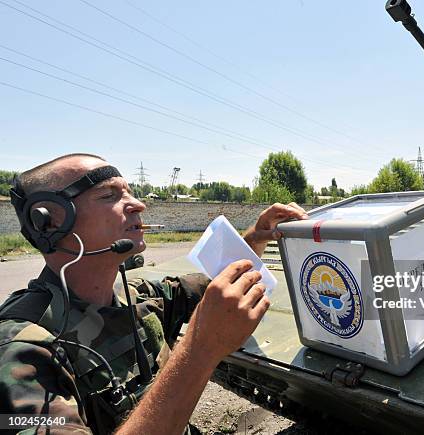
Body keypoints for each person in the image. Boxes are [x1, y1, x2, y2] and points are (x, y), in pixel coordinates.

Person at [0, 153, 308, 434]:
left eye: (130, 192)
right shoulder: (23, 348)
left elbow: (210, 288)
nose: (138, 204)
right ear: (50, 222)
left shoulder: (137, 300)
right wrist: (200, 350)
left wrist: (253, 239)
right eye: (109, 195)